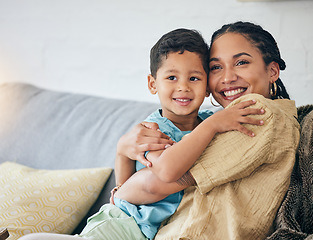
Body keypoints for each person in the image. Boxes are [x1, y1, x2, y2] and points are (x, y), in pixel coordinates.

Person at [18, 27, 262, 240]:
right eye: (171, 77)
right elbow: (167, 171)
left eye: (195, 78)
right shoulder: (152, 130)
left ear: (207, 85)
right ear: (152, 84)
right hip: (122, 225)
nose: (183, 87)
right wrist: (215, 124)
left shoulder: (209, 121)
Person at [117, 21, 301, 240]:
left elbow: (154, 183)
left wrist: (121, 185)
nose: (227, 78)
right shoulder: (217, 120)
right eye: (216, 67)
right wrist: (122, 152)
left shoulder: (258, 113)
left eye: (241, 62)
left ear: (272, 71)